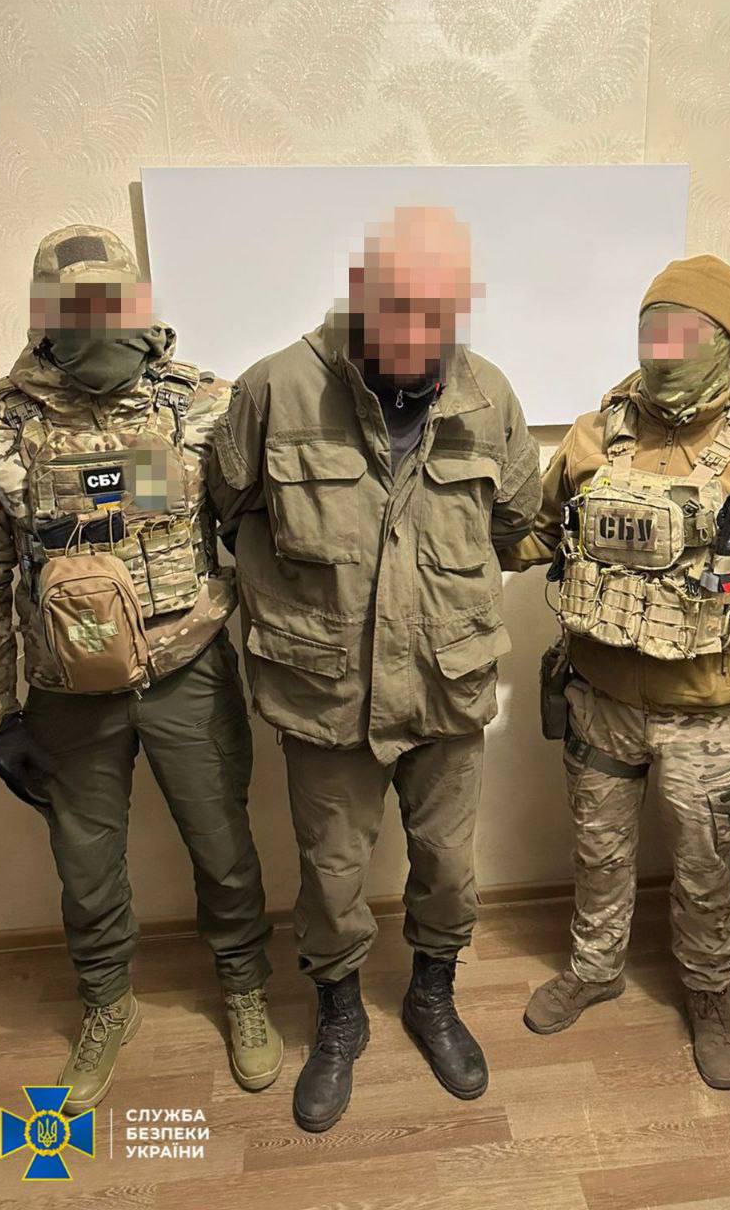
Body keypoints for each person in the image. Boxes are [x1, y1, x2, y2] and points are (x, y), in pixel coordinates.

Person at [210, 206, 542, 1132]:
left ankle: (433, 997)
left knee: (448, 868)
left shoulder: (488, 397)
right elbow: (226, 510)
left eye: (437, 309)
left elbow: (514, 524)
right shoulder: (274, 389)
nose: (415, 328)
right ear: (358, 292)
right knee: (331, 875)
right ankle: (339, 1016)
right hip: (324, 691)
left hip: (445, 684)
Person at [0, 225, 282, 1113]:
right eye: (74, 309)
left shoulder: (206, 406)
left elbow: (260, 542)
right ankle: (107, 1003)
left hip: (188, 673)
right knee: (84, 864)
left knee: (222, 848)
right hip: (66, 693)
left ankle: (244, 986)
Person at [502, 254, 730, 1090]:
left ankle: (708, 993)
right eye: (651, 326)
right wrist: (463, 523)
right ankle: (595, 968)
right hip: (599, 700)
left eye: (686, 328)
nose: (663, 344)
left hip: (706, 716)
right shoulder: (591, 436)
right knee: (597, 852)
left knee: (705, 871)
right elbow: (538, 534)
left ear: (727, 341)